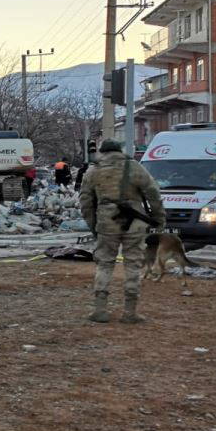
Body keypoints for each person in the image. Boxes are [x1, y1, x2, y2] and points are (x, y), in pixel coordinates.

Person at [78, 138, 166, 324]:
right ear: (120, 150)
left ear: (102, 151)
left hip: (106, 221)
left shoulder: (93, 171)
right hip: (135, 222)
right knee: (133, 263)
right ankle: (130, 312)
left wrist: (93, 226)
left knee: (104, 263)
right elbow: (153, 194)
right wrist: (159, 219)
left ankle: (100, 310)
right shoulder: (135, 167)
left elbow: (86, 203)